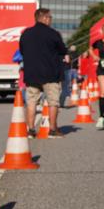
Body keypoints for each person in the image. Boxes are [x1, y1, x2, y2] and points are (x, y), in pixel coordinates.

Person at [18, 8, 68, 138]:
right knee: (53, 102)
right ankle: (52, 129)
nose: (50, 20)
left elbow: (22, 51)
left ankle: (31, 130)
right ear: (45, 18)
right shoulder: (53, 34)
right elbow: (63, 50)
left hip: (32, 74)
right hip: (50, 74)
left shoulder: (26, 34)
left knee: (31, 102)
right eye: (50, 17)